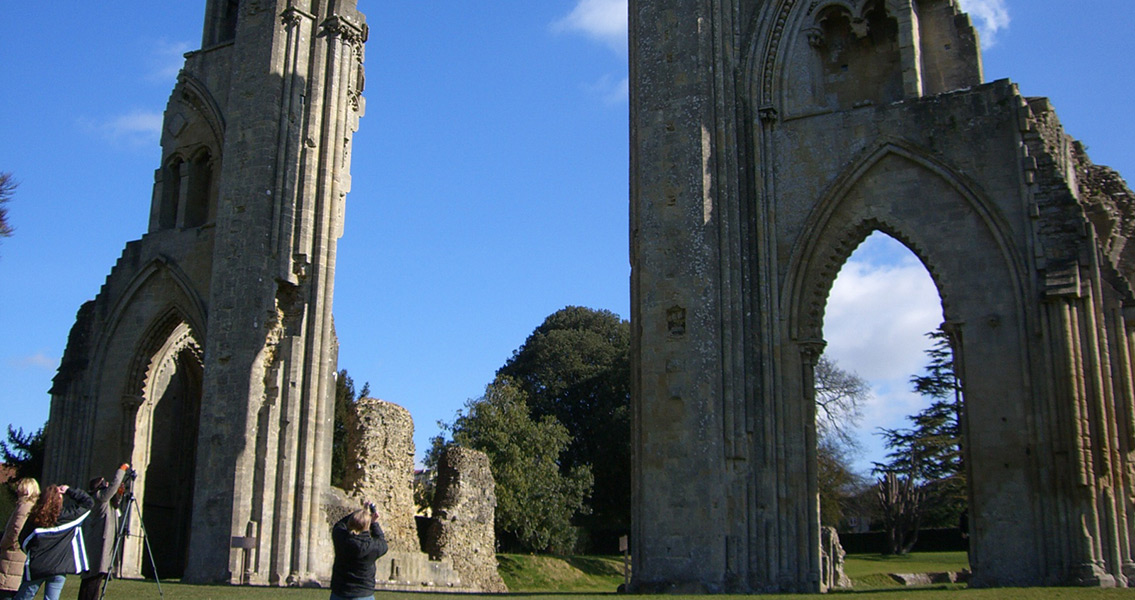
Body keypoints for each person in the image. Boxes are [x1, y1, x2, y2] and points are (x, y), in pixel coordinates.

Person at [12, 485, 94, 600]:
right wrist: (69, 490)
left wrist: (32, 554)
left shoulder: (35, 519)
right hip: (59, 567)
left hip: (37, 565)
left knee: (24, 596)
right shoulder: (69, 516)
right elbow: (88, 503)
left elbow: (24, 541)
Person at [77, 465, 130, 600]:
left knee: (92, 581)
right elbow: (113, 486)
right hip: (99, 544)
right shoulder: (99, 497)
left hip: (98, 542)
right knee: (93, 580)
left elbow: (115, 503)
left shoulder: (102, 499)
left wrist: (119, 493)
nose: (107, 484)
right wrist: (122, 470)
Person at [330, 502, 388, 600]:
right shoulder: (372, 546)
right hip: (363, 594)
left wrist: (359, 513)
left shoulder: (341, 539)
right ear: (367, 526)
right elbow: (382, 542)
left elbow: (339, 525)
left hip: (340, 592)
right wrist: (374, 523)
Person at [0, 478, 40, 599]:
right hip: (20, 555)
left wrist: (4, 543)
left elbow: (15, 531)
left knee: (7, 590)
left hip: (13, 555)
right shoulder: (33, 507)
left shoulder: (24, 507)